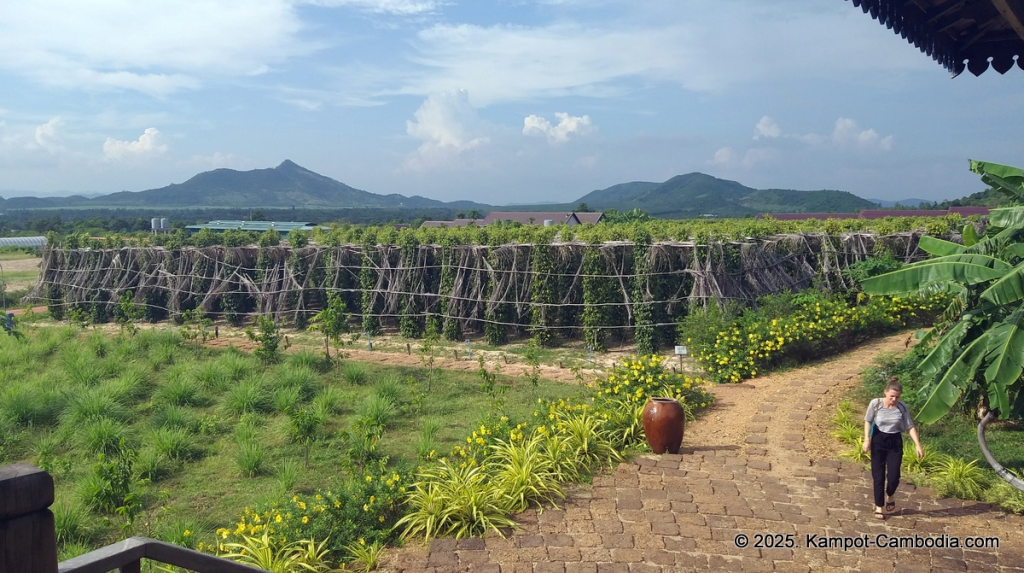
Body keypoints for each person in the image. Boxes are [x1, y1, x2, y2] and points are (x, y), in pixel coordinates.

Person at [862, 376, 924, 520]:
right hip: (878, 440)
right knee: (878, 476)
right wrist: (867, 439)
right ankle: (879, 506)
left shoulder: (902, 407)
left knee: (894, 476)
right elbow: (867, 420)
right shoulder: (875, 403)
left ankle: (890, 494)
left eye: (897, 397)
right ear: (885, 392)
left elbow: (910, 426)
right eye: (892, 396)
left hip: (895, 442)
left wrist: (918, 445)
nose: (894, 399)